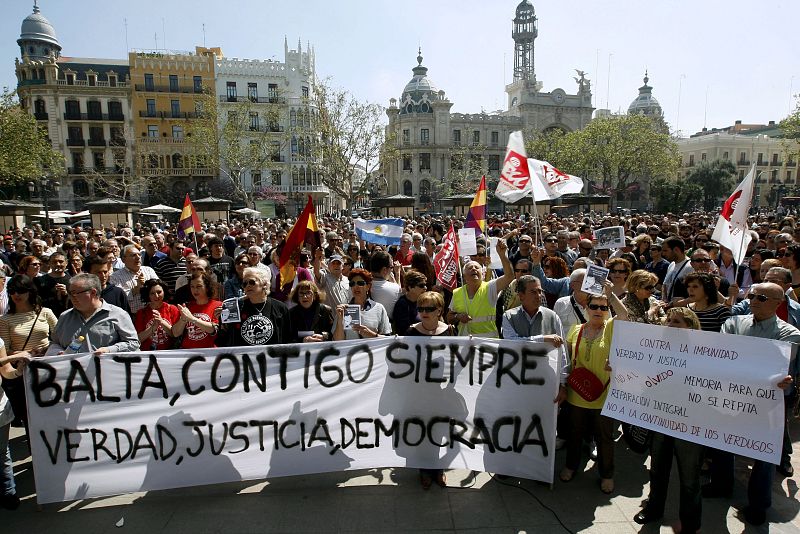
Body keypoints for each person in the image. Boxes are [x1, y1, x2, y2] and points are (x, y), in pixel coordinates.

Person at [703, 282, 800, 525]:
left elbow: (777, 365)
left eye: (763, 298)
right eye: (753, 295)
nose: (755, 300)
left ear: (778, 304)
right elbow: (725, 353)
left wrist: (746, 362)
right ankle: (721, 485)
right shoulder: (734, 323)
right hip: (731, 396)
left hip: (766, 403)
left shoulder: (790, 333)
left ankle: (759, 505)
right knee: (722, 441)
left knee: (763, 454)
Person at [633, 306, 704, 533]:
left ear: (691, 327)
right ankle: (654, 508)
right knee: (657, 469)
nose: (671, 325)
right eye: (670, 321)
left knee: (690, 477)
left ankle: (690, 523)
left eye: (678, 322)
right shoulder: (656, 349)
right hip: (661, 419)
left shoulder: (705, 354)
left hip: (689, 423)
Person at [560, 283, 628, 493]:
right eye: (595, 307)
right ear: (587, 309)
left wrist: (611, 295)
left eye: (603, 307)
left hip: (603, 395)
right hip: (577, 394)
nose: (599, 310)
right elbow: (566, 359)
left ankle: (607, 474)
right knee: (574, 433)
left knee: (604, 438)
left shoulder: (610, 328)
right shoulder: (575, 330)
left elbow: (625, 315)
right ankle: (571, 466)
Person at [404, 291, 454, 489]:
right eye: (421, 308)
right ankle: (424, 470)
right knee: (423, 430)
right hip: (419, 392)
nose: (424, 312)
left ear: (439, 310)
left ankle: (438, 469)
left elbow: (457, 360)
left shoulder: (450, 331)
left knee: (439, 430)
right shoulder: (411, 332)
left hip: (441, 391)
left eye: (429, 308)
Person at [0, 274, 58, 427]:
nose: (16, 295)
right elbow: (4, 350)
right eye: (12, 291)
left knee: (52, 409)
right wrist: (23, 354)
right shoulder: (5, 319)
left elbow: (60, 339)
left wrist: (47, 347)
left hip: (47, 366)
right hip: (22, 370)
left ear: (30, 291)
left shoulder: (45, 312)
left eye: (20, 291)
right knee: (29, 415)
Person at [49, 273, 140, 354]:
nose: (72, 297)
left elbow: (133, 343)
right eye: (70, 294)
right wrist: (58, 352)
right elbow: (54, 343)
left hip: (105, 370)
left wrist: (109, 350)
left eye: (75, 293)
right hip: (73, 371)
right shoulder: (65, 317)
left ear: (93, 292)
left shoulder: (118, 315)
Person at [448, 239, 513, 337]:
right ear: (464, 276)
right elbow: (449, 318)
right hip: (466, 346)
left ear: (483, 274)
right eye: (470, 268)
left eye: (477, 267)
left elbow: (509, 277)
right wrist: (458, 316)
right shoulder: (457, 293)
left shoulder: (490, 288)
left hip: (488, 345)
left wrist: (502, 255)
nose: (474, 269)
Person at [217, 267, 292, 346]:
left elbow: (288, 338)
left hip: (272, 356)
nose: (248, 286)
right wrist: (222, 321)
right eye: (245, 284)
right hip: (245, 357)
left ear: (264, 284)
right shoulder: (236, 308)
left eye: (252, 282)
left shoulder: (280, 308)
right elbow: (226, 338)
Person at [0, 347, 32, 511]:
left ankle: (9, 493)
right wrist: (15, 356)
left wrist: (18, 372)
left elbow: (6, 372)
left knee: (2, 452)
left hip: (0, 410)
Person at [333, 268, 392, 340]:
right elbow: (337, 342)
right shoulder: (343, 310)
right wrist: (340, 320)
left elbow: (388, 339)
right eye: (352, 284)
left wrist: (371, 334)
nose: (356, 286)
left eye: (360, 283)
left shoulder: (379, 308)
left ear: (368, 286)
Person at [172, 272, 222, 349]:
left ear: (207, 287)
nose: (195, 290)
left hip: (209, 353)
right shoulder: (187, 306)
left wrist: (192, 319)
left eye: (199, 286)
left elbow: (213, 329)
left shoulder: (217, 305)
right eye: (192, 286)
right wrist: (183, 318)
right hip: (187, 353)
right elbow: (175, 333)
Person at [109, 244, 159, 315]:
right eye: (133, 255)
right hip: (130, 316)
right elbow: (119, 298)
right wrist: (136, 289)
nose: (138, 257)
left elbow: (159, 290)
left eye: (139, 254)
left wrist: (148, 286)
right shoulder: (115, 276)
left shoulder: (149, 270)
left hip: (152, 313)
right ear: (123, 259)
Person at [135, 279, 180, 351]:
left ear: (164, 292)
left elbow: (175, 334)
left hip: (170, 353)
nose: (156, 296)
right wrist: (153, 328)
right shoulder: (141, 313)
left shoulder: (173, 309)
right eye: (152, 293)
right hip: (148, 354)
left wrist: (161, 322)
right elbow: (138, 339)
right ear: (148, 295)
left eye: (159, 292)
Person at [392, 270, 427, 336]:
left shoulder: (425, 301)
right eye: (421, 285)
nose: (425, 288)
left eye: (425, 285)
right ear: (410, 287)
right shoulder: (402, 305)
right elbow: (403, 330)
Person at [34, 251, 70, 317]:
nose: (58, 264)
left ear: (66, 263)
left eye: (61, 261)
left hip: (68, 317)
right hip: (45, 317)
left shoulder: (72, 281)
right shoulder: (40, 280)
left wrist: (66, 294)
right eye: (54, 262)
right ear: (49, 263)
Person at [369, 250, 403, 317]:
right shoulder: (394, 288)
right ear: (384, 270)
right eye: (391, 267)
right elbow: (399, 291)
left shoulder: (361, 285)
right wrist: (397, 273)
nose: (392, 270)